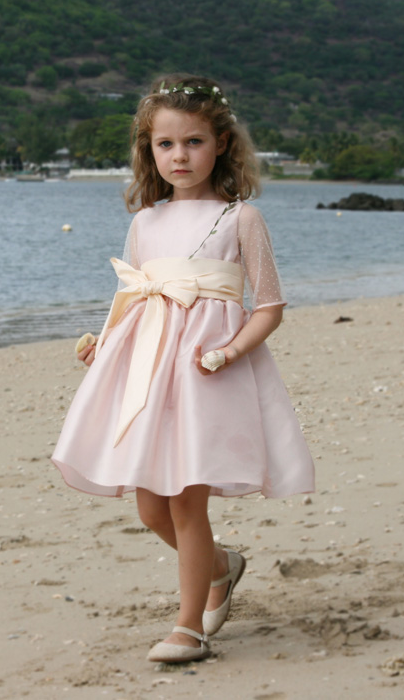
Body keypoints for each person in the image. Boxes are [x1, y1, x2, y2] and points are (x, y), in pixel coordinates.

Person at [51, 74, 314, 663]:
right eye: (165, 144)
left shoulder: (240, 219)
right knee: (150, 507)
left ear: (221, 143)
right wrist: (105, 342)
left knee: (186, 502)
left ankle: (188, 626)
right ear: (150, 150)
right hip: (146, 369)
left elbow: (268, 307)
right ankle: (221, 567)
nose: (179, 155)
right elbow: (134, 293)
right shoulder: (146, 221)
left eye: (193, 142)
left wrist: (227, 353)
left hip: (205, 373)